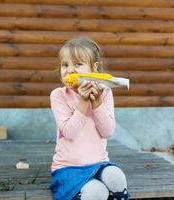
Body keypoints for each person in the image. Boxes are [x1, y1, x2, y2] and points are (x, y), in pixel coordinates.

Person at [49, 37, 130, 200]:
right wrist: (84, 102)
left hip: (99, 163)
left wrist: (97, 102)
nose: (70, 70)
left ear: (94, 68)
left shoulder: (105, 93)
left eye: (77, 64)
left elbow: (107, 131)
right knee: (96, 192)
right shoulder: (59, 95)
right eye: (65, 65)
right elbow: (69, 133)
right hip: (68, 167)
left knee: (116, 177)